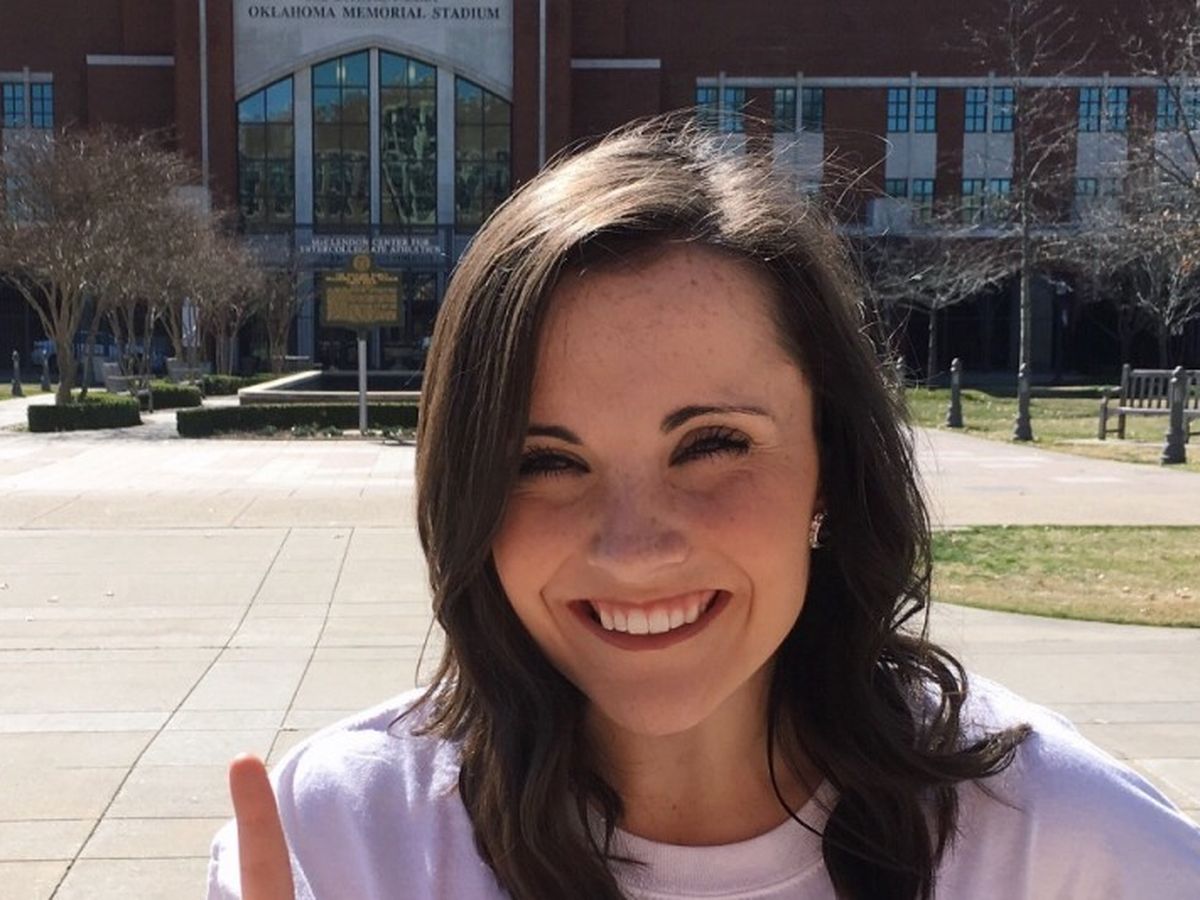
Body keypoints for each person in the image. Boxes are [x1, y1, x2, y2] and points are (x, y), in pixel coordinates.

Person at [208, 119, 1200, 900]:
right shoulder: (338, 843)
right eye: (546, 462)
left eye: (713, 444)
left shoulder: (1065, 846)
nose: (634, 548)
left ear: (829, 465)